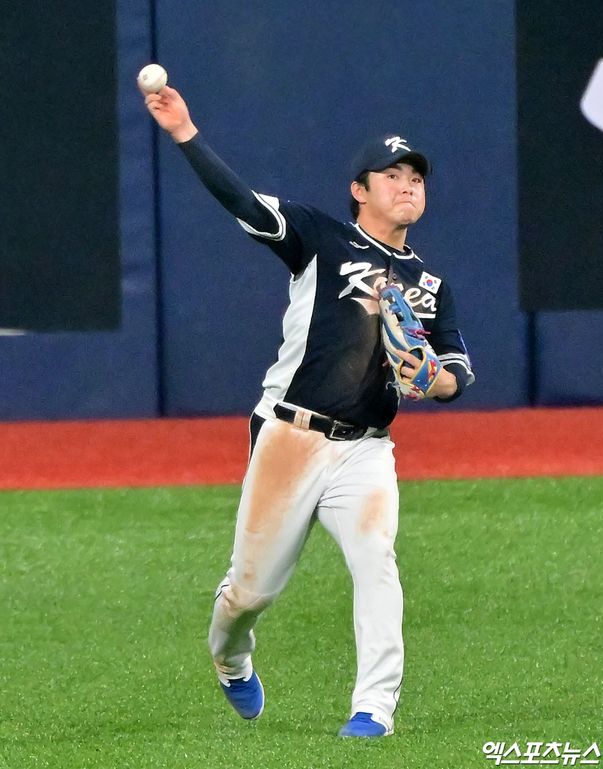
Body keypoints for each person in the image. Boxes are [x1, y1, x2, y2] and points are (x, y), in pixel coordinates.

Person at [143, 83, 474, 738]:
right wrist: (184, 132)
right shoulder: (321, 236)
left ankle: (373, 709)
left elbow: (455, 366)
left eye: (415, 177)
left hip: (367, 447)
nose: (407, 185)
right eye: (392, 175)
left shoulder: (430, 286)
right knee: (249, 592)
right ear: (359, 189)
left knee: (376, 561)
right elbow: (243, 202)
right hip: (291, 434)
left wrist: (436, 381)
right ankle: (231, 657)